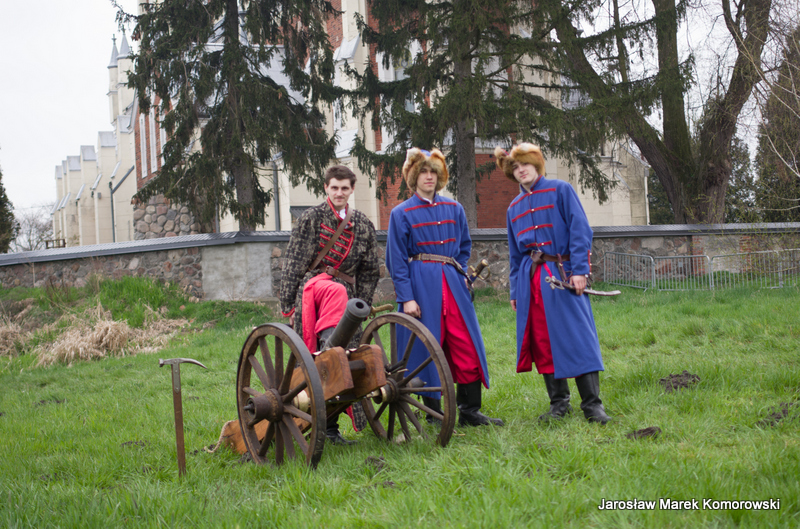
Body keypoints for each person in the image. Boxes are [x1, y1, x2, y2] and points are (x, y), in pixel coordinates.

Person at [387, 148, 503, 427]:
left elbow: (463, 246)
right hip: (421, 285)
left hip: (453, 286)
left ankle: (470, 411)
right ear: (413, 177)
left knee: (466, 343)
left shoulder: (455, 209)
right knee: (427, 346)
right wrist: (407, 297)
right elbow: (396, 260)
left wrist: (460, 272)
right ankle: (434, 414)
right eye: (423, 172)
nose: (429, 177)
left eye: (433, 172)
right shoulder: (400, 213)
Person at [495, 143, 611, 424]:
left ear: (536, 164)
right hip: (531, 279)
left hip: (563, 273)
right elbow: (515, 254)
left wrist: (579, 270)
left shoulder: (561, 190)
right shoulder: (513, 208)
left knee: (577, 335)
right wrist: (515, 290)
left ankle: (592, 405)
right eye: (515, 167)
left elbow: (580, 230)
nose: (521, 170)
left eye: (525, 164)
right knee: (542, 338)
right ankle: (559, 404)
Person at [279, 165, 380, 444]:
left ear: (352, 189)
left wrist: (362, 304)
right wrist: (289, 306)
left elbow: (370, 270)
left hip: (346, 298)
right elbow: (293, 262)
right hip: (313, 290)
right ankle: (327, 350)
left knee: (350, 357)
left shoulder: (363, 224)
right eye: (334, 187)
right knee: (324, 353)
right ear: (326, 187)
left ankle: (332, 429)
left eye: (344, 188)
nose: (339, 193)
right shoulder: (311, 218)